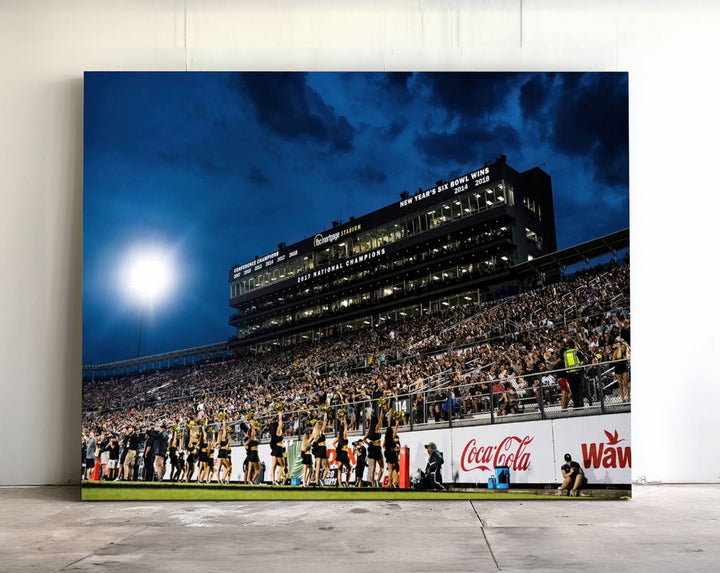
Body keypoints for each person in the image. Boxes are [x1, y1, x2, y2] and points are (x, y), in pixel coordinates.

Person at [563, 340, 587, 409]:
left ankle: (576, 405)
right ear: (574, 345)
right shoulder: (576, 351)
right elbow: (586, 360)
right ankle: (581, 404)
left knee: (573, 390)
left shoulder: (565, 353)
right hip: (578, 373)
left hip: (569, 374)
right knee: (580, 389)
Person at [363, 414, 384, 487]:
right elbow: (381, 418)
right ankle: (377, 481)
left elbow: (364, 439)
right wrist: (382, 409)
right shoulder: (376, 427)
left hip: (372, 450)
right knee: (382, 467)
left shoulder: (370, 430)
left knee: (372, 469)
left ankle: (373, 485)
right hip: (377, 449)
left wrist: (369, 444)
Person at [312, 413, 330, 486]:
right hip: (322, 449)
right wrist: (325, 412)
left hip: (317, 449)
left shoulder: (314, 433)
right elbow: (325, 420)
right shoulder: (321, 431)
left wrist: (314, 444)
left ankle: (317, 482)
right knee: (327, 467)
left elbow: (308, 443)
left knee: (318, 467)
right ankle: (322, 479)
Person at [332, 416, 351, 487]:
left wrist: (337, 447)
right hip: (344, 453)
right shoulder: (345, 435)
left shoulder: (339, 437)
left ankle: (340, 484)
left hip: (340, 453)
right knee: (349, 469)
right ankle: (346, 482)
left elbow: (333, 444)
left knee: (339, 469)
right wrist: (344, 417)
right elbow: (346, 425)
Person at [383, 413, 400, 488]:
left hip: (388, 454)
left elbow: (383, 446)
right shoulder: (392, 437)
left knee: (390, 471)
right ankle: (395, 482)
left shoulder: (386, 440)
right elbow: (396, 429)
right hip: (393, 454)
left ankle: (390, 485)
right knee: (397, 469)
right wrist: (397, 422)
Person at [270, 412, 285, 486]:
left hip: (274, 449)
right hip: (279, 449)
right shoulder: (278, 431)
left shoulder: (273, 434)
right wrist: (280, 415)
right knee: (282, 466)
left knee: (273, 466)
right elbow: (280, 422)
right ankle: (278, 480)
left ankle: (273, 481)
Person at [245, 420, 261, 485]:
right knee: (251, 469)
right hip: (253, 453)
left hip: (254, 453)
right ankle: (250, 481)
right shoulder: (252, 437)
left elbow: (245, 445)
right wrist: (252, 421)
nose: (255, 431)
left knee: (257, 469)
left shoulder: (250, 439)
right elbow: (253, 429)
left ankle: (252, 481)